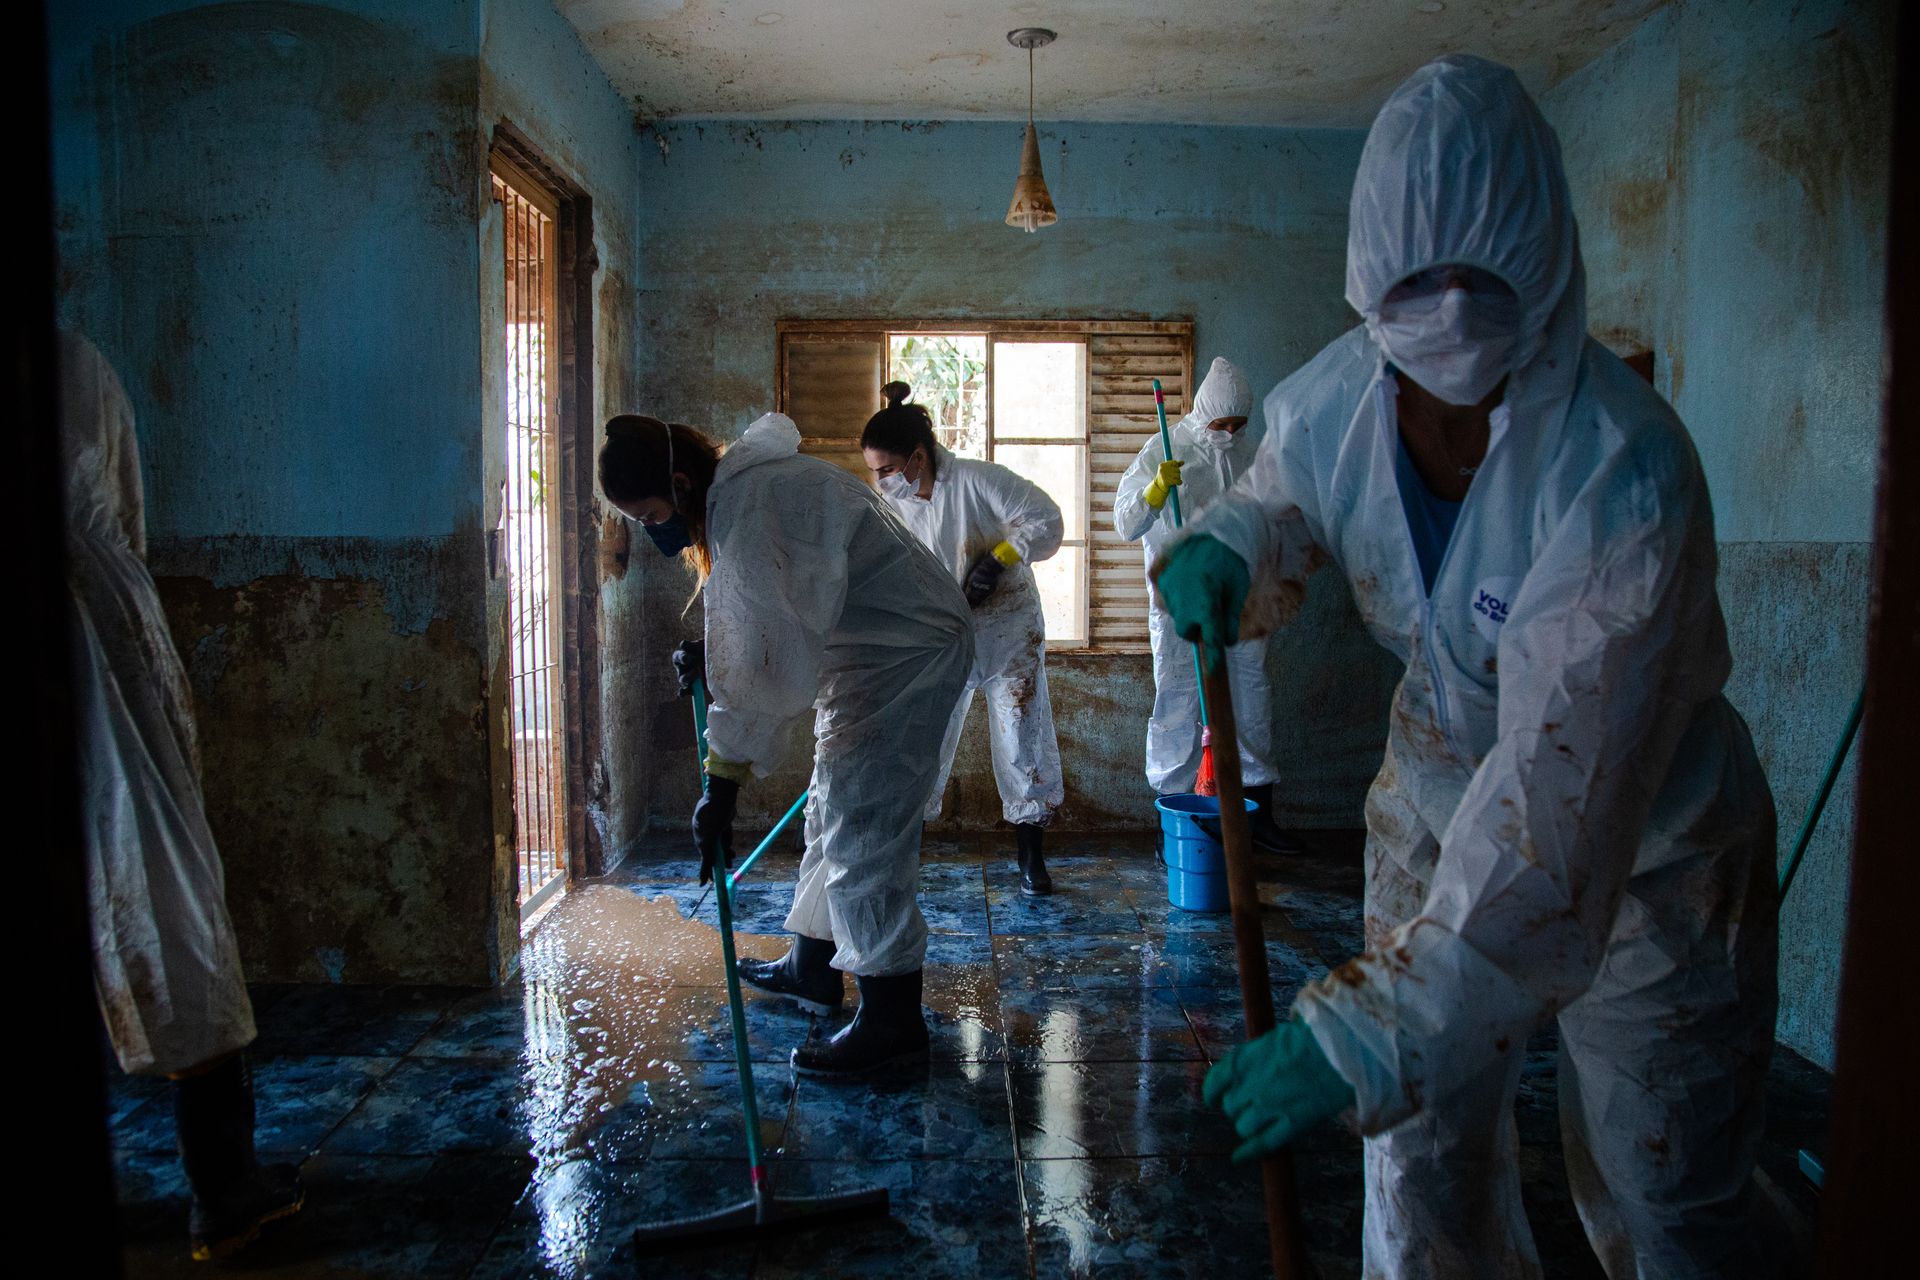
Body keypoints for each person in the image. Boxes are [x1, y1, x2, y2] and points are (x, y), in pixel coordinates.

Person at [1164, 56, 1788, 1278]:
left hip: (1648, 841)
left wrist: (1359, 1032)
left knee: (1668, 1192)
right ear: (1368, 292)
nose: (1447, 314)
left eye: (1483, 286)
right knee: (1419, 1159)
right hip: (1442, 780)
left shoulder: (1626, 472)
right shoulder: (1339, 396)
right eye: (1414, 291)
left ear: (1547, 272)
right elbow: (1285, 492)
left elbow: (1556, 827)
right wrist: (1232, 539)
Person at [599, 411, 973, 1075]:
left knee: (866, 826)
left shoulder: (750, 505)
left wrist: (720, 785)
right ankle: (812, 964)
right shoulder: (746, 490)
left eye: (652, 511)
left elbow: (763, 665)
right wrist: (710, 652)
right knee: (833, 802)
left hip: (907, 653)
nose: (653, 530)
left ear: (681, 484)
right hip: (873, 649)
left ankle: (893, 1021)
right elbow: (771, 618)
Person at [63, 330, 304, 1261]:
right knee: (171, 914)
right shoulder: (77, 370)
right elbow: (119, 510)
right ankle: (224, 1190)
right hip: (107, 661)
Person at [861, 381, 1066, 894]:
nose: (881, 482)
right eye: (875, 472)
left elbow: (1048, 521)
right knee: (922, 736)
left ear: (916, 457)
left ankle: (1030, 855)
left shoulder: (978, 481)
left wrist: (1000, 559)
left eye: (887, 470)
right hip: (939, 635)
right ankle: (908, 847)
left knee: (1021, 731)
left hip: (1007, 628)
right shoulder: (894, 507)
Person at [1112, 356, 1295, 853]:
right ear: (1203, 412)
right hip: (1179, 600)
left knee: (1251, 697)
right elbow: (1126, 524)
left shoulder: (1250, 453)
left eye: (1239, 425)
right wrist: (1154, 491)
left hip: (1241, 598)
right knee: (1178, 700)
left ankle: (1258, 813)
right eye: (1223, 424)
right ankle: (1175, 819)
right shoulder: (1163, 449)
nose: (1230, 433)